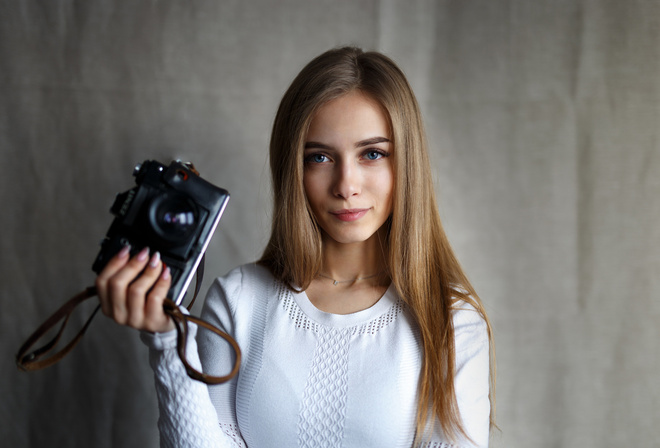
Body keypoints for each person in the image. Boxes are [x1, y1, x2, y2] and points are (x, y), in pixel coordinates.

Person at [95, 46, 495, 448]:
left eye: (373, 154)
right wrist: (167, 340)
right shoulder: (238, 301)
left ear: (406, 163)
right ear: (292, 169)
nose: (346, 185)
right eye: (319, 157)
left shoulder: (450, 321)